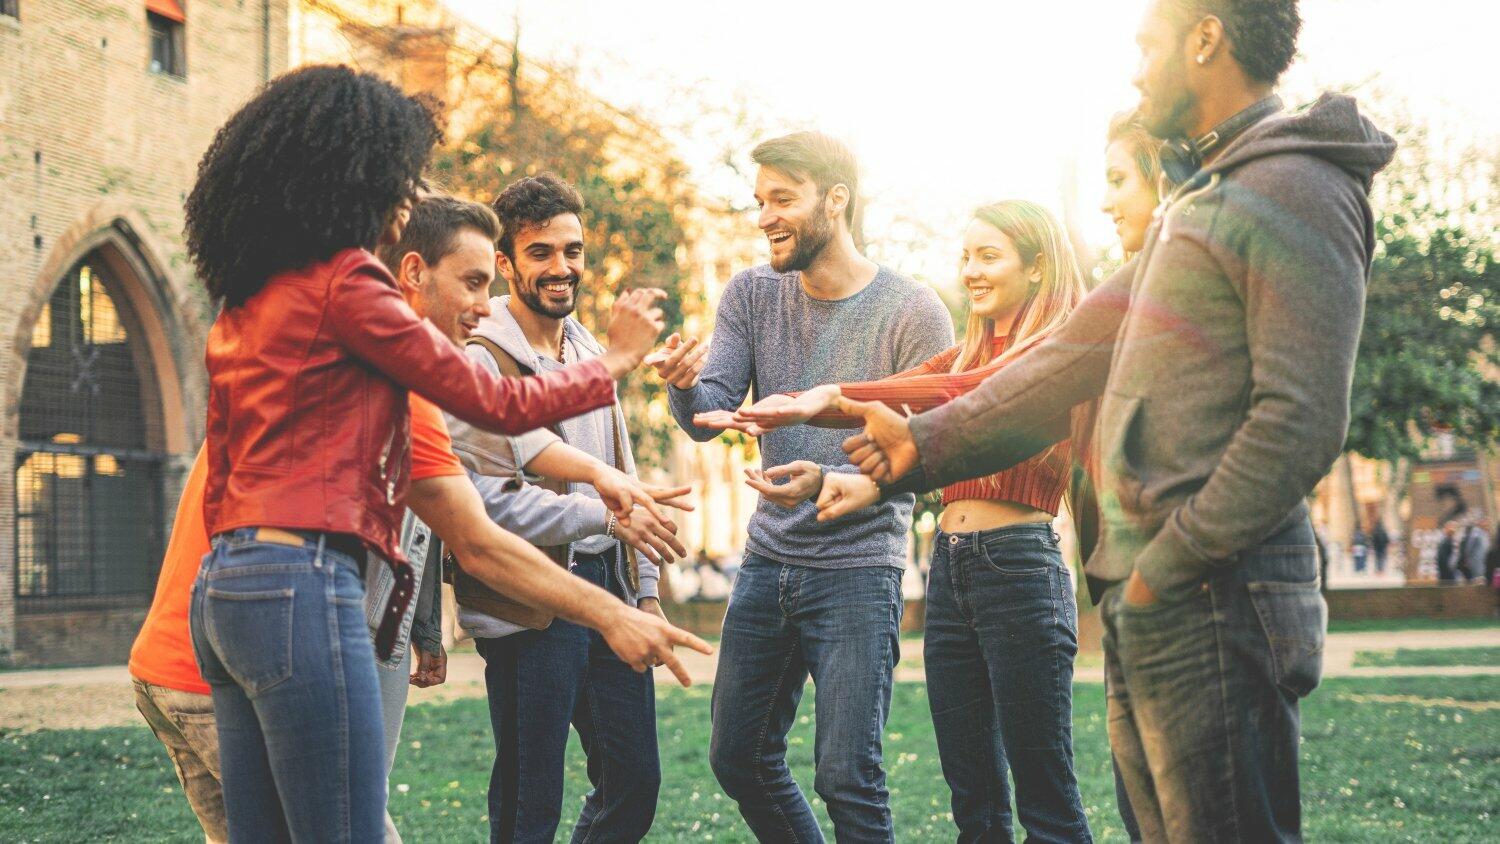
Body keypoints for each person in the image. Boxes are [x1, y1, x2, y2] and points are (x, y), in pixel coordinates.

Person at [825, 2, 1395, 839]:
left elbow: (1300, 421)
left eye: (1146, 44)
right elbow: (1069, 357)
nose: (1135, 67)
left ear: (1206, 38)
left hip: (1215, 592)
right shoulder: (1202, 202)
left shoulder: (1297, 185)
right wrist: (924, 443)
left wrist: (1171, 562)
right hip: (1154, 595)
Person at [183, 65, 698, 841]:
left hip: (225, 595)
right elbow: (494, 402)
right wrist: (617, 359)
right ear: (353, 173)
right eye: (401, 178)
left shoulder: (254, 294)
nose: (408, 199)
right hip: (301, 582)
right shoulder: (348, 282)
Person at [723, 201, 1095, 842]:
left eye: (989, 256)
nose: (971, 272)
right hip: (951, 571)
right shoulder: (963, 354)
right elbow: (904, 391)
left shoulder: (1053, 358)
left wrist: (835, 398)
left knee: (1047, 799)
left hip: (1020, 571)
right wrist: (827, 432)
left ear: (1037, 267)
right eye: (966, 257)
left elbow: (972, 394)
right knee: (972, 796)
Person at [654, 131, 955, 840]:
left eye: (783, 199)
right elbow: (708, 413)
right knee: (737, 758)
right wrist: (685, 383)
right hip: (766, 565)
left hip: (858, 572)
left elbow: (932, 455)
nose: (764, 217)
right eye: (759, 201)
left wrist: (833, 477)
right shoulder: (752, 295)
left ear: (836, 200)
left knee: (848, 775)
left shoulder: (914, 313)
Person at [444, 173, 689, 843]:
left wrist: (643, 591)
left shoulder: (584, 348)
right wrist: (605, 516)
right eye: (541, 253)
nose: (562, 268)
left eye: (572, 251)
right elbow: (492, 508)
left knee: (634, 784)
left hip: (607, 580)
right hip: (531, 599)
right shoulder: (480, 355)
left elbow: (621, 471)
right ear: (505, 263)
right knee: (530, 803)